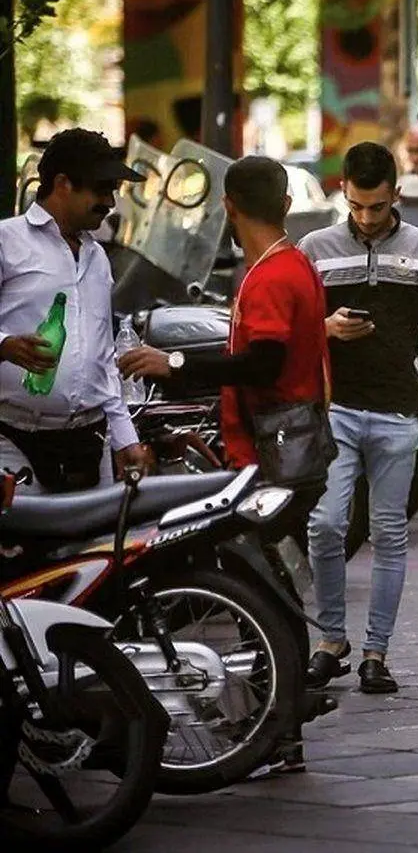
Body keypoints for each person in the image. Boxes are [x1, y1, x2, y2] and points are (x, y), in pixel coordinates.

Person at [121, 154, 334, 773]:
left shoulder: (269, 277)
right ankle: (281, 722)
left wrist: (178, 365)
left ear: (228, 208)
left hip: (272, 454)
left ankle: (279, 722)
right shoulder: (291, 264)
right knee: (269, 587)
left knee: (258, 591)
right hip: (291, 446)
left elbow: (264, 364)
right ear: (287, 205)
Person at [298, 142, 418, 695]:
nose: (365, 218)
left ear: (396, 196)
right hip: (336, 410)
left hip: (399, 412)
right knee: (325, 525)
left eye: (376, 207)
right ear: (344, 194)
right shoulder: (315, 247)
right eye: (355, 206)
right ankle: (332, 639)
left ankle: (376, 652)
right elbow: (295, 323)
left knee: (388, 533)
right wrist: (326, 328)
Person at [0, 128, 151, 493]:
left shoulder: (97, 257)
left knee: (96, 547)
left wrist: (124, 437)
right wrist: (3, 344)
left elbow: (103, 356)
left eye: (112, 190)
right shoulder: (7, 240)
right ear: (63, 184)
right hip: (13, 441)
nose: (110, 202)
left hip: (89, 440)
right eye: (101, 189)